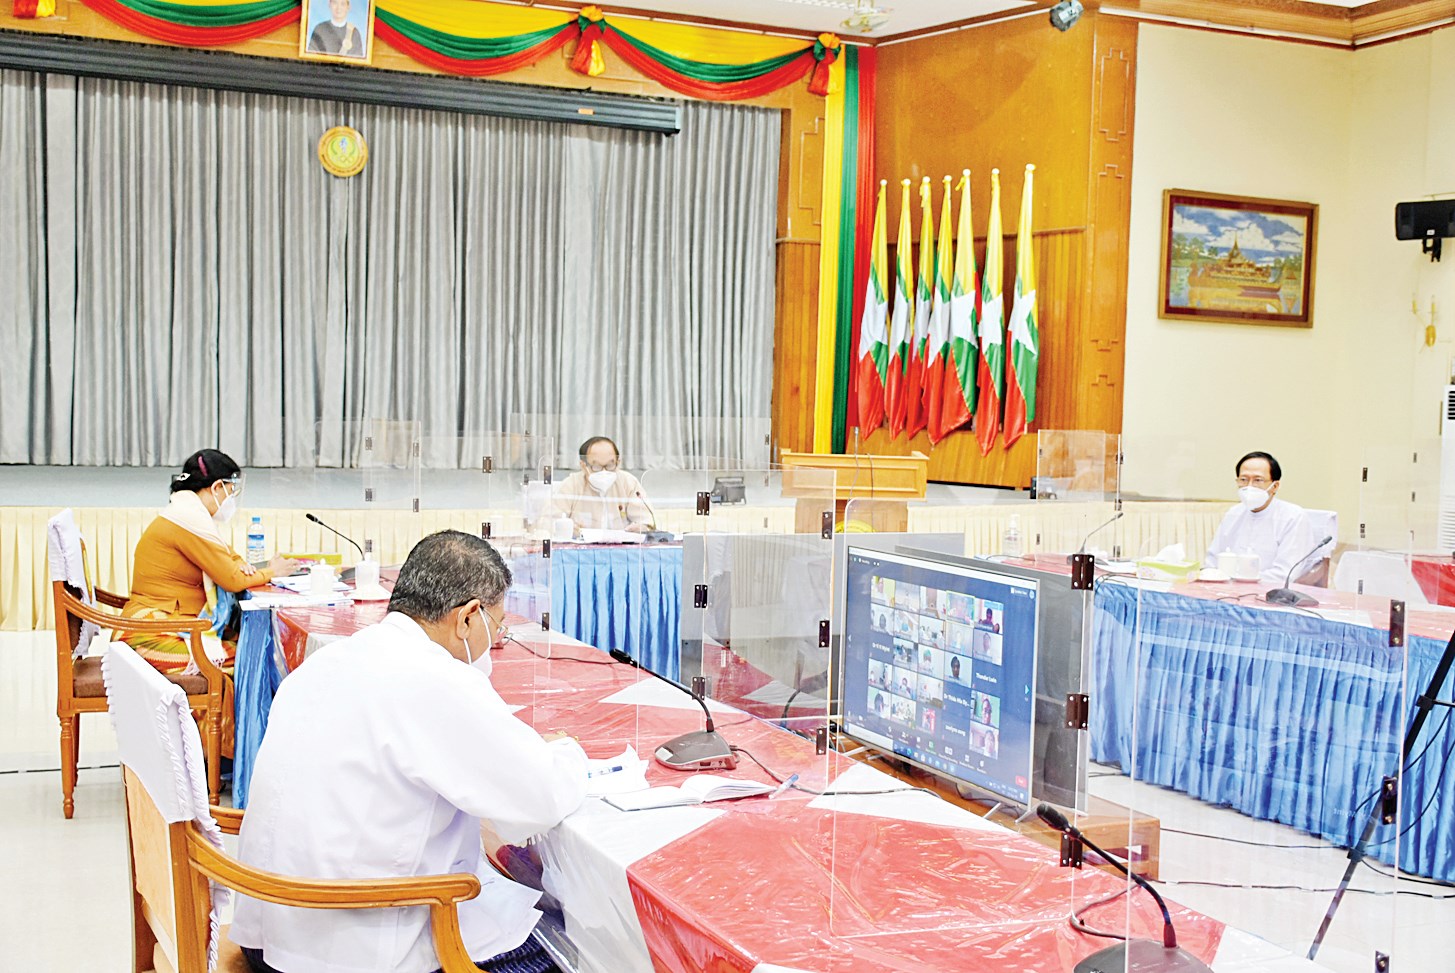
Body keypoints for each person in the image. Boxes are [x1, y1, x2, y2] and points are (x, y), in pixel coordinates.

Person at [232, 530, 588, 973]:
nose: (494, 643)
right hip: (352, 953)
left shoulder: (327, 661)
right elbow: (540, 798)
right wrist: (568, 752)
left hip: (269, 931)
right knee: (571, 947)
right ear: (468, 617)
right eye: (497, 628)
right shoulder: (436, 679)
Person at [121, 449, 299, 676]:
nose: (231, 502)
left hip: (165, 623)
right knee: (253, 655)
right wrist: (272, 572)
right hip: (151, 634)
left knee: (248, 644)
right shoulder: (187, 519)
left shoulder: (187, 512)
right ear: (216, 487)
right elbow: (232, 579)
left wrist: (243, 565)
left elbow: (228, 556)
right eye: (230, 493)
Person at [1203, 451, 1317, 586]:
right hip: (1226, 590)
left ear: (1275, 486)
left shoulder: (1293, 517)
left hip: (1271, 592)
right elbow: (1212, 561)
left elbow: (1285, 573)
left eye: (1258, 480)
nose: (1249, 486)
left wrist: (1239, 582)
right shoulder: (1234, 513)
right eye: (1243, 480)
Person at [546, 436, 652, 534]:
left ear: (618, 462)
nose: (604, 472)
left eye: (610, 465)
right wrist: (566, 528)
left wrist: (642, 527)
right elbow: (546, 523)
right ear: (583, 465)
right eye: (596, 466)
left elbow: (647, 522)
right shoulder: (572, 484)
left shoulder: (628, 482)